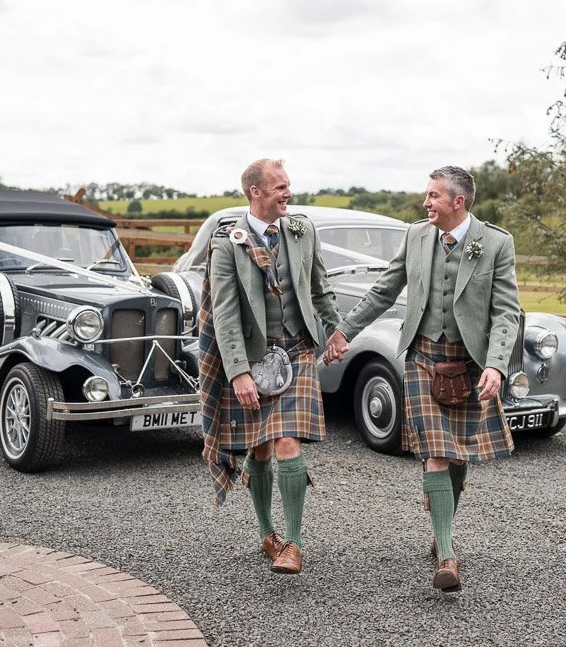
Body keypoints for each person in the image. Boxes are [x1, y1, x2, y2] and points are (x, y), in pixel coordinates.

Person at [324, 165, 519, 593]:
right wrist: (343, 332)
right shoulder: (415, 237)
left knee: (458, 458)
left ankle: (440, 526)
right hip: (423, 357)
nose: (425, 202)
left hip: (470, 363)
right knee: (436, 452)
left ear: (458, 202)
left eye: (433, 195)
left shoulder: (496, 243)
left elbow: (507, 312)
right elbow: (384, 291)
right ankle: (448, 554)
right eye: (426, 195)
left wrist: (497, 364)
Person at [199, 158, 341, 575]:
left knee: (286, 442)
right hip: (254, 358)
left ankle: (294, 544)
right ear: (255, 192)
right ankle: (267, 534)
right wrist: (239, 372)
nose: (288, 193)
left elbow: (319, 287)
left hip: (297, 351)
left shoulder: (302, 230)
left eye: (288, 185)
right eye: (279, 187)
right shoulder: (227, 243)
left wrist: (333, 331)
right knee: (259, 448)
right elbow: (224, 314)